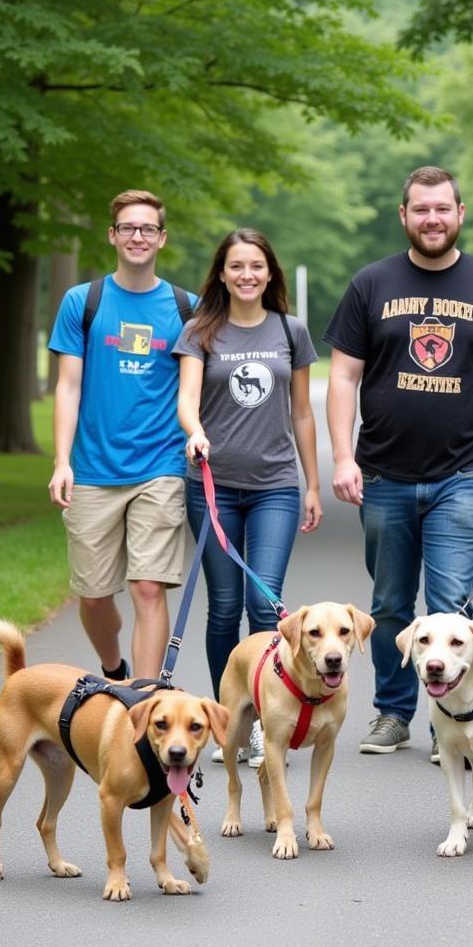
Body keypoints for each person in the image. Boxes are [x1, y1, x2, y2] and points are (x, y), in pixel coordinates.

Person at [325, 165, 473, 759]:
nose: (432, 219)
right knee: (392, 604)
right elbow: (343, 375)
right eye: (421, 209)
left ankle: (452, 722)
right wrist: (342, 457)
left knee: (452, 608)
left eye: (442, 208)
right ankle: (394, 714)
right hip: (384, 474)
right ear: (404, 216)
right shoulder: (370, 283)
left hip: (463, 473)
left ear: (460, 213)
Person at [175, 228, 321, 768]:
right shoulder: (201, 331)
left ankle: (264, 720)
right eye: (236, 266)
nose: (246, 275)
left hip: (276, 486)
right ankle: (226, 717)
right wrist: (194, 431)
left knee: (265, 604)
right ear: (221, 273)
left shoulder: (291, 330)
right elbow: (187, 399)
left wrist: (312, 485)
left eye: (256, 266)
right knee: (225, 608)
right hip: (213, 487)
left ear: (270, 273)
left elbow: (302, 412)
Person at [48, 189, 194, 681]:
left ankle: (145, 698)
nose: (137, 236)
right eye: (128, 228)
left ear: (162, 238)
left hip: (160, 467)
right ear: (113, 236)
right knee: (93, 595)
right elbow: (68, 387)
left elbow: (195, 392)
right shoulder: (82, 302)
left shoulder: (185, 308)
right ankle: (114, 669)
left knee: (149, 588)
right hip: (92, 470)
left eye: (147, 228)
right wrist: (61, 461)